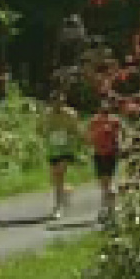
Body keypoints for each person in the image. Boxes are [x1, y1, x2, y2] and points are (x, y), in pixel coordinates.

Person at [38, 90, 80, 219]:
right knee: (55, 178)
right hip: (53, 149)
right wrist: (45, 135)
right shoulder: (47, 114)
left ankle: (58, 208)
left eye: (61, 102)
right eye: (56, 102)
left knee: (60, 175)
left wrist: (72, 141)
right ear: (52, 103)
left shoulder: (71, 114)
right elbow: (41, 129)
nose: (59, 105)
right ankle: (66, 192)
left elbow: (75, 131)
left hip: (66, 149)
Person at [87, 101, 122, 220]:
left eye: (106, 109)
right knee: (104, 183)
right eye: (103, 109)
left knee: (108, 181)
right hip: (99, 154)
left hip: (111, 154)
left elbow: (119, 137)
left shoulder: (115, 121)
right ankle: (109, 208)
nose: (104, 112)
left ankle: (107, 208)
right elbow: (90, 137)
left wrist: (117, 145)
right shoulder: (94, 121)